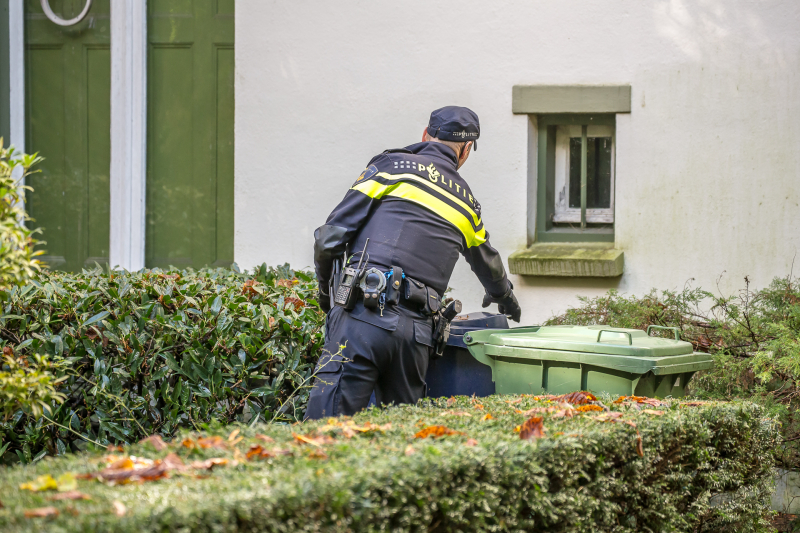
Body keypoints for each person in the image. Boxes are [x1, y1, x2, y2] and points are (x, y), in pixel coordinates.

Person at [305, 106, 521, 420]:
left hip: (362, 318)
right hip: (418, 336)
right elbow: (489, 263)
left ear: (425, 135)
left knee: (324, 432)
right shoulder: (466, 204)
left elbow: (328, 241)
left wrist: (329, 299)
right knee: (403, 445)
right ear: (466, 151)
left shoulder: (392, 167)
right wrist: (506, 298)